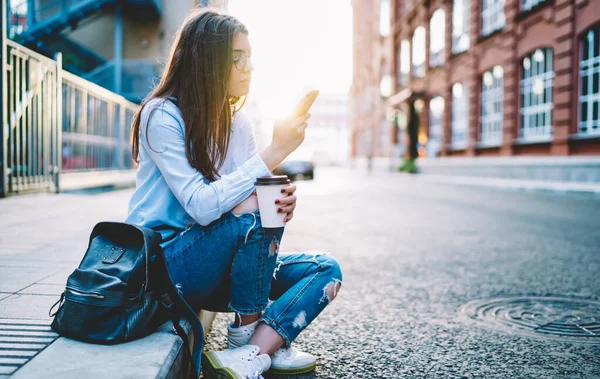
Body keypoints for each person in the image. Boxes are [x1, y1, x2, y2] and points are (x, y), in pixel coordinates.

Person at [124, 7, 343, 379]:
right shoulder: (162, 115)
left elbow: (248, 202)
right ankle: (250, 339)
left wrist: (279, 199)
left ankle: (252, 350)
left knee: (325, 270)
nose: (248, 68)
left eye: (250, 58)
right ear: (206, 61)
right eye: (236, 58)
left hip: (218, 267)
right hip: (166, 266)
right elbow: (202, 205)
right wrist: (275, 154)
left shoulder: (239, 124)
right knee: (256, 207)